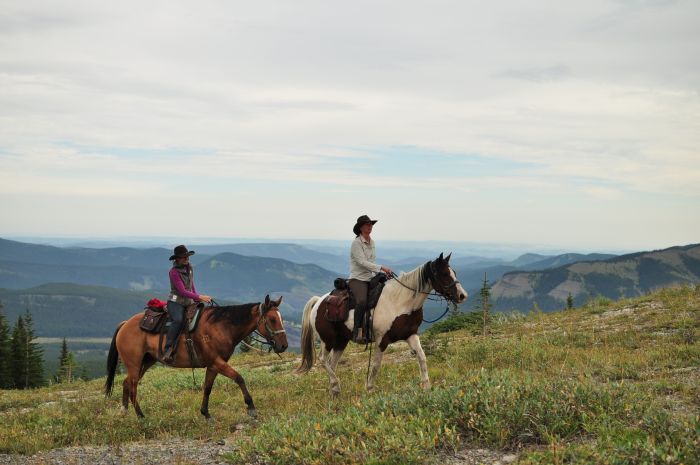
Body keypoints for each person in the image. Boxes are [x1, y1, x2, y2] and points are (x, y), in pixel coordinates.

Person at [163, 245, 212, 363]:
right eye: (183, 257)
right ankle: (168, 348)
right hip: (175, 302)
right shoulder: (173, 272)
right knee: (178, 320)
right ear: (177, 259)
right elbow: (182, 291)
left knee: (203, 315)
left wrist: (196, 298)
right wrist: (200, 297)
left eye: (187, 256)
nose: (186, 259)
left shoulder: (189, 267)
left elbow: (191, 285)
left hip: (188, 301)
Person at [348, 215, 394, 344]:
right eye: (367, 224)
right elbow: (362, 262)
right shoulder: (356, 243)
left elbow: (371, 261)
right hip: (358, 279)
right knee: (362, 301)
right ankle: (357, 332)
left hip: (370, 277)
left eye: (371, 224)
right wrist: (381, 268)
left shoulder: (372, 242)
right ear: (361, 228)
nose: (370, 226)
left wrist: (381, 274)